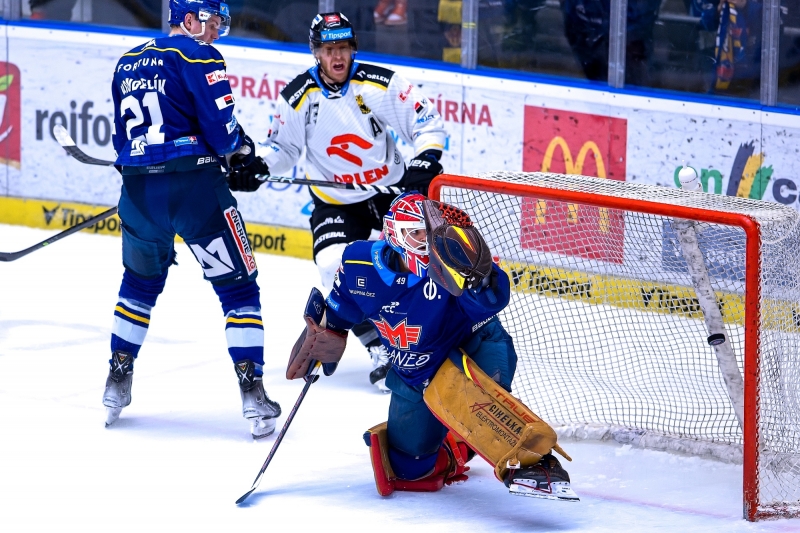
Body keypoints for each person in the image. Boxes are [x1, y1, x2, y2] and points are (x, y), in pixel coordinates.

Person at [285, 193, 578, 500]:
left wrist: (481, 278)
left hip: (471, 349)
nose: (426, 242)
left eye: (430, 233)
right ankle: (457, 445)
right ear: (394, 234)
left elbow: (490, 301)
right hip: (413, 372)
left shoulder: (448, 263)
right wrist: (326, 335)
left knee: (480, 408)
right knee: (409, 469)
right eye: (416, 233)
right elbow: (342, 309)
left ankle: (538, 464)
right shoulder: (357, 261)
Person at [226, 12, 447, 392]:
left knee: (418, 266)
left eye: (343, 47)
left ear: (353, 48)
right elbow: (283, 148)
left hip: (389, 192)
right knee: (333, 264)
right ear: (316, 53)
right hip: (336, 202)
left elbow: (427, 122)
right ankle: (382, 347)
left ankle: (432, 339)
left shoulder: (380, 83)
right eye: (329, 50)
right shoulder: (298, 96)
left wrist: (425, 160)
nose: (337, 56)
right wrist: (258, 166)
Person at [103, 0, 282, 439]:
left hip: (139, 195)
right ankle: (253, 392)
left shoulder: (126, 61)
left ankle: (116, 381)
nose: (217, 32)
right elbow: (221, 133)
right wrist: (242, 152)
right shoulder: (199, 55)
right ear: (189, 20)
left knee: (138, 285)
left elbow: (122, 141)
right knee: (239, 289)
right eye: (212, 22)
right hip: (195, 192)